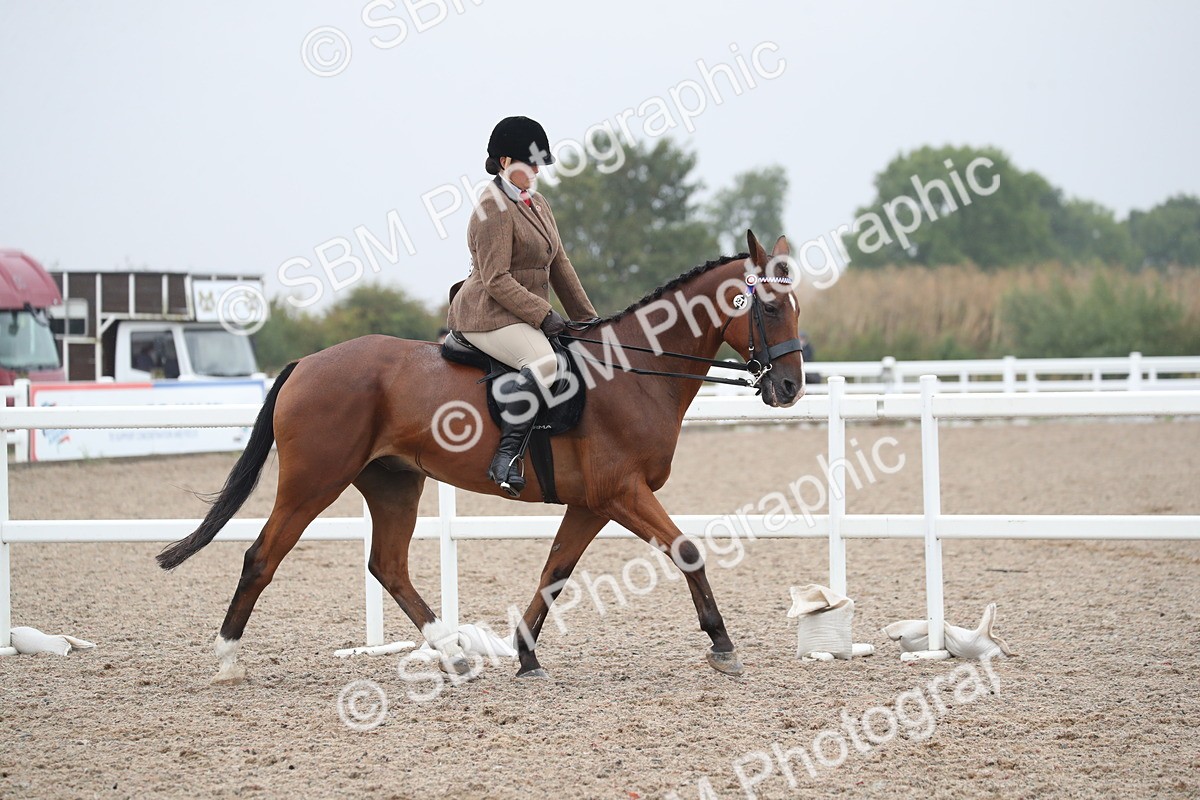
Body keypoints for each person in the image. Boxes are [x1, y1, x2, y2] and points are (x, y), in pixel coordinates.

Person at [445, 116, 598, 495]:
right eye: (529, 164)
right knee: (544, 363)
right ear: (504, 163)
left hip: (518, 313)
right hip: (486, 314)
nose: (536, 171)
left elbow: (560, 265)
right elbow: (495, 278)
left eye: (538, 165)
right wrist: (543, 314)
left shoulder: (538, 203)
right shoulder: (492, 208)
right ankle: (506, 457)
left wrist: (588, 320)